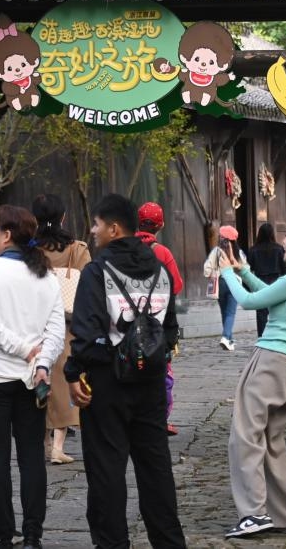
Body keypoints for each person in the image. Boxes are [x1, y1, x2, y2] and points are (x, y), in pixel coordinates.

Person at [65, 194, 187, 549]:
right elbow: (170, 329)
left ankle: (113, 543)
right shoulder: (160, 270)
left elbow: (85, 334)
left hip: (107, 382)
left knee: (107, 470)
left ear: (114, 229)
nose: (93, 231)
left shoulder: (97, 272)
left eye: (97, 224)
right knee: (156, 468)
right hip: (151, 381)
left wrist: (73, 373)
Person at [219, 216, 286, 538]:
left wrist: (226, 272)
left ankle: (253, 513)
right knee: (271, 441)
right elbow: (269, 296)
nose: (285, 241)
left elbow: (249, 301)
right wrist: (243, 272)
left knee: (245, 436)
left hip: (269, 361)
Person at [0, 205, 65, 549]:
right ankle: (33, 535)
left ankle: (1, 533)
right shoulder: (46, 276)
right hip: (32, 379)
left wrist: (23, 350)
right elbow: (56, 331)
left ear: (7, 234)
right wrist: (41, 362)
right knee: (31, 457)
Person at [32, 193, 91, 465]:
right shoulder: (77, 249)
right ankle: (58, 446)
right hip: (68, 324)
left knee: (39, 377)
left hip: (35, 325)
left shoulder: (30, 250)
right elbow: (89, 286)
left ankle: (43, 443)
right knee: (63, 378)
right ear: (63, 217)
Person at [135, 201, 184, 436]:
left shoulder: (123, 249)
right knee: (161, 373)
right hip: (157, 323)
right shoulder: (162, 253)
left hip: (126, 320)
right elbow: (176, 286)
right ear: (161, 225)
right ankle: (158, 419)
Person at [204, 225, 247, 351]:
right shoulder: (239, 252)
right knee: (230, 313)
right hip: (233, 283)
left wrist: (212, 274)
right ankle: (226, 337)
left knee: (225, 312)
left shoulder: (216, 251)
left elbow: (207, 268)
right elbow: (244, 268)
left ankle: (229, 340)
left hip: (221, 283)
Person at [247, 223, 286, 337]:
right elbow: (284, 269)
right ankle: (277, 336)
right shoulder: (279, 249)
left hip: (259, 281)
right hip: (276, 282)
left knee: (261, 313)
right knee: (277, 311)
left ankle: (262, 337)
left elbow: (249, 269)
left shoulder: (253, 250)